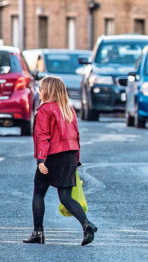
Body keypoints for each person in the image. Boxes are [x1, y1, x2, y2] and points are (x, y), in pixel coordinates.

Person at [25, 76, 98, 246]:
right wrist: (76, 160)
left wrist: (41, 160)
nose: (39, 91)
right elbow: (76, 136)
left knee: (38, 192)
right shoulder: (68, 109)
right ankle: (87, 224)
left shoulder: (45, 109)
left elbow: (43, 136)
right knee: (65, 196)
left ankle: (38, 233)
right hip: (69, 156)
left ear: (48, 90)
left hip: (52, 156)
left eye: (41, 88)